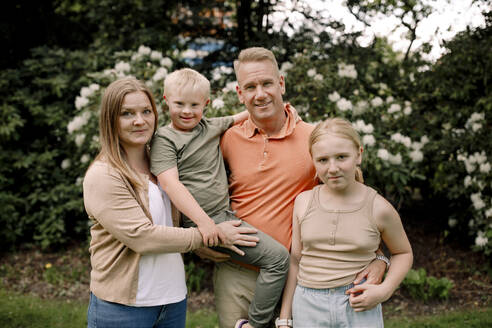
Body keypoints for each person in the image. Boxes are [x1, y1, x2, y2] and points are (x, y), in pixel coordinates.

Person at [194, 47, 389, 328]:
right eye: (250, 87)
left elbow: (356, 199)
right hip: (237, 272)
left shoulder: (313, 139)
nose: (259, 94)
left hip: (299, 277)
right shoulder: (226, 139)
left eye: (267, 83)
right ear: (240, 94)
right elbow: (199, 190)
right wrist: (201, 241)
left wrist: (380, 257)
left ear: (281, 84)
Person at [83, 77, 258, 328]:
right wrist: (208, 234)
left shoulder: (163, 160)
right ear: (110, 119)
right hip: (124, 307)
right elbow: (142, 237)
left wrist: (200, 244)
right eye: (126, 113)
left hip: (172, 298)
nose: (140, 120)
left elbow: (173, 218)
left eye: (146, 111)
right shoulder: (105, 175)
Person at [149, 68, 290, 328]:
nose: (187, 111)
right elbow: (170, 184)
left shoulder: (209, 127)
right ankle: (256, 325)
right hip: (205, 224)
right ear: (166, 99)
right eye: (179, 104)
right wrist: (205, 225)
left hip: (223, 217)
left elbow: (244, 113)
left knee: (277, 259)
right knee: (279, 259)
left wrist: (285, 108)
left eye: (194, 105)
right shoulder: (165, 139)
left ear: (206, 103)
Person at [278, 117, 413, 327]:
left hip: (357, 303)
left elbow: (403, 253)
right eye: (323, 160)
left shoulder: (379, 208)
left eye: (341, 157)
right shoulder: (303, 202)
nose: (332, 168)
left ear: (359, 155)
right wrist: (285, 318)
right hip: (307, 305)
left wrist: (384, 291)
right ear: (313, 160)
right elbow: (296, 261)